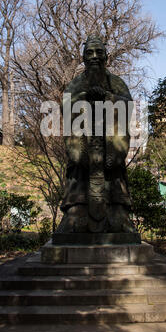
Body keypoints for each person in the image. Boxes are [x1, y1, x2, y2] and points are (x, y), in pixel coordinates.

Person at [56, 34, 137, 234]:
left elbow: (128, 104)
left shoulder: (115, 82)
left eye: (99, 52)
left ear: (106, 57)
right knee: (78, 171)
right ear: (83, 58)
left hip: (109, 144)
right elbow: (65, 105)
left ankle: (118, 212)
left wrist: (107, 98)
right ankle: (76, 209)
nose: (94, 57)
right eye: (89, 53)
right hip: (84, 144)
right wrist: (85, 98)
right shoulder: (77, 83)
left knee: (114, 176)